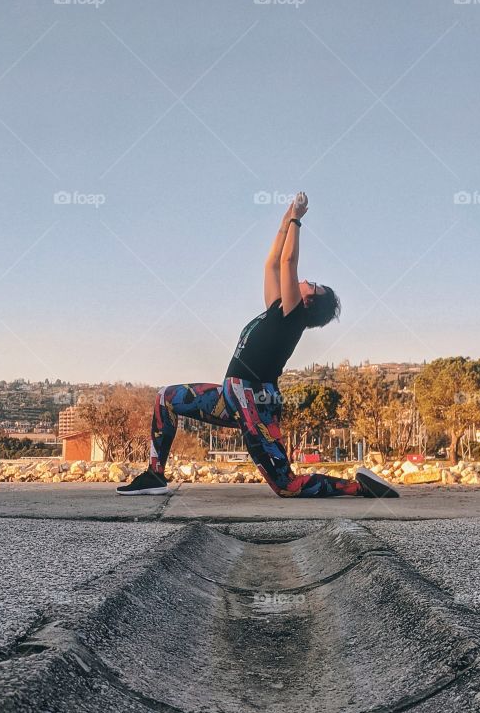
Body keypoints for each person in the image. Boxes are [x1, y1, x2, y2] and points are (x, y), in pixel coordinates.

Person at [117, 192, 398, 498]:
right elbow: (272, 265)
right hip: (231, 395)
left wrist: (297, 220)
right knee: (165, 398)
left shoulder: (294, 316)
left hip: (254, 398)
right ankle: (154, 476)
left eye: (311, 284)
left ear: (309, 300)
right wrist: (284, 221)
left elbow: (288, 261)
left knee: (287, 486)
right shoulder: (278, 310)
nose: (305, 281)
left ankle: (361, 488)